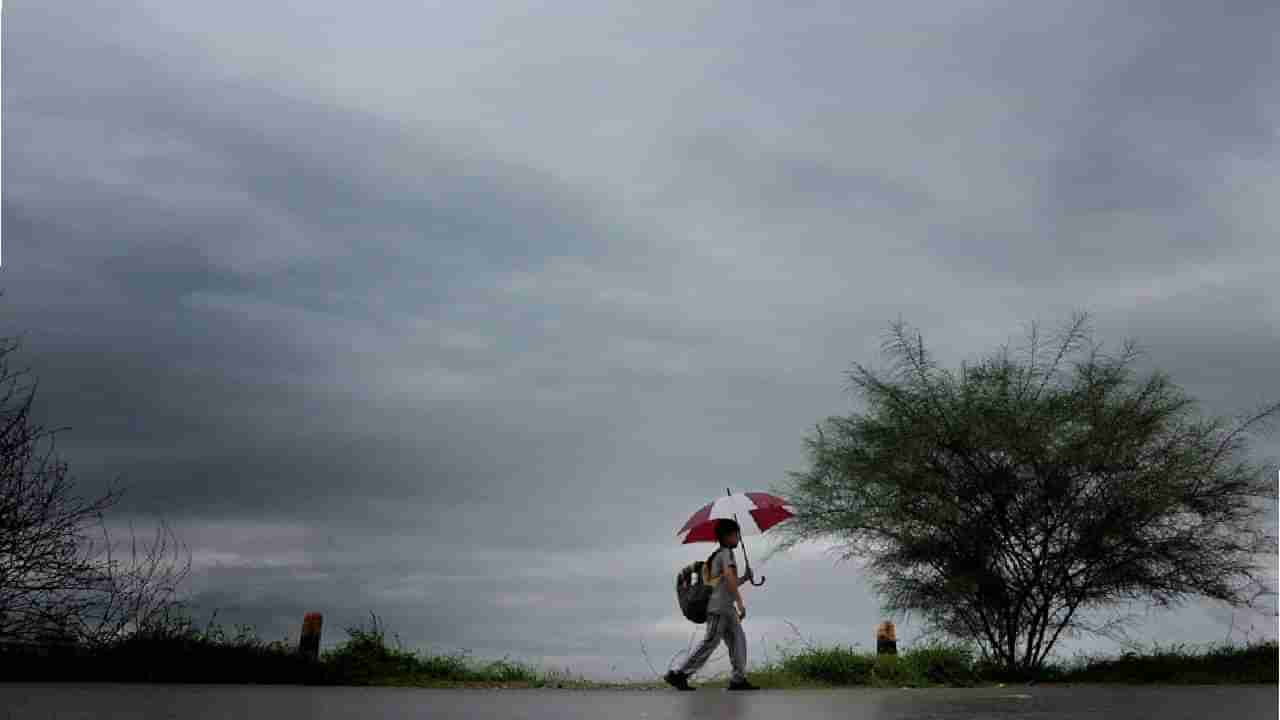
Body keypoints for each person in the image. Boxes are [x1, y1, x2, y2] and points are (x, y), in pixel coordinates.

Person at [665, 518, 760, 691]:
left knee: (738, 640)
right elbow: (730, 581)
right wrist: (740, 602)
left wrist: (745, 578)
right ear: (727, 536)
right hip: (718, 608)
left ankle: (738, 679)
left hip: (726, 608)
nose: (738, 538)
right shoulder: (726, 554)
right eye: (736, 534)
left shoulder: (719, 555)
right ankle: (679, 674)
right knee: (710, 642)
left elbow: (727, 583)